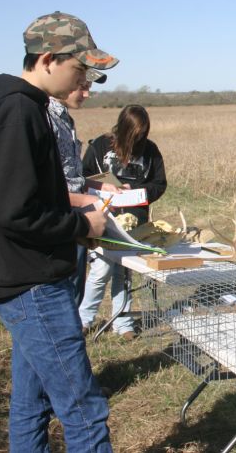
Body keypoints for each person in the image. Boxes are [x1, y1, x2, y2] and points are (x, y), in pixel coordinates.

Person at [0, 11, 117, 452]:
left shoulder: (25, 108)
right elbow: (12, 213)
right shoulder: (19, 112)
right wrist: (81, 224)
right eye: (79, 69)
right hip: (32, 284)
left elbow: (27, 200)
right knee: (84, 409)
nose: (84, 80)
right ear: (49, 59)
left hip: (29, 277)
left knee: (32, 401)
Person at [79, 104, 167, 340]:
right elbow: (83, 176)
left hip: (134, 223)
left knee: (124, 272)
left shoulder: (150, 150)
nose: (139, 139)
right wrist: (102, 189)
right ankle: (84, 320)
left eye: (143, 134)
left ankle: (123, 323)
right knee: (101, 269)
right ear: (124, 128)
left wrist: (136, 190)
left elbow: (160, 184)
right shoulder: (99, 146)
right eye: (135, 134)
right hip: (103, 219)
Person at [48, 69, 121, 306]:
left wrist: (99, 186)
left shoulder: (64, 118)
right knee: (62, 297)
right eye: (81, 85)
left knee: (75, 286)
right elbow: (40, 187)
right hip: (57, 224)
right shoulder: (44, 118)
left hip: (74, 222)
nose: (87, 93)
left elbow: (69, 177)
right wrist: (84, 201)